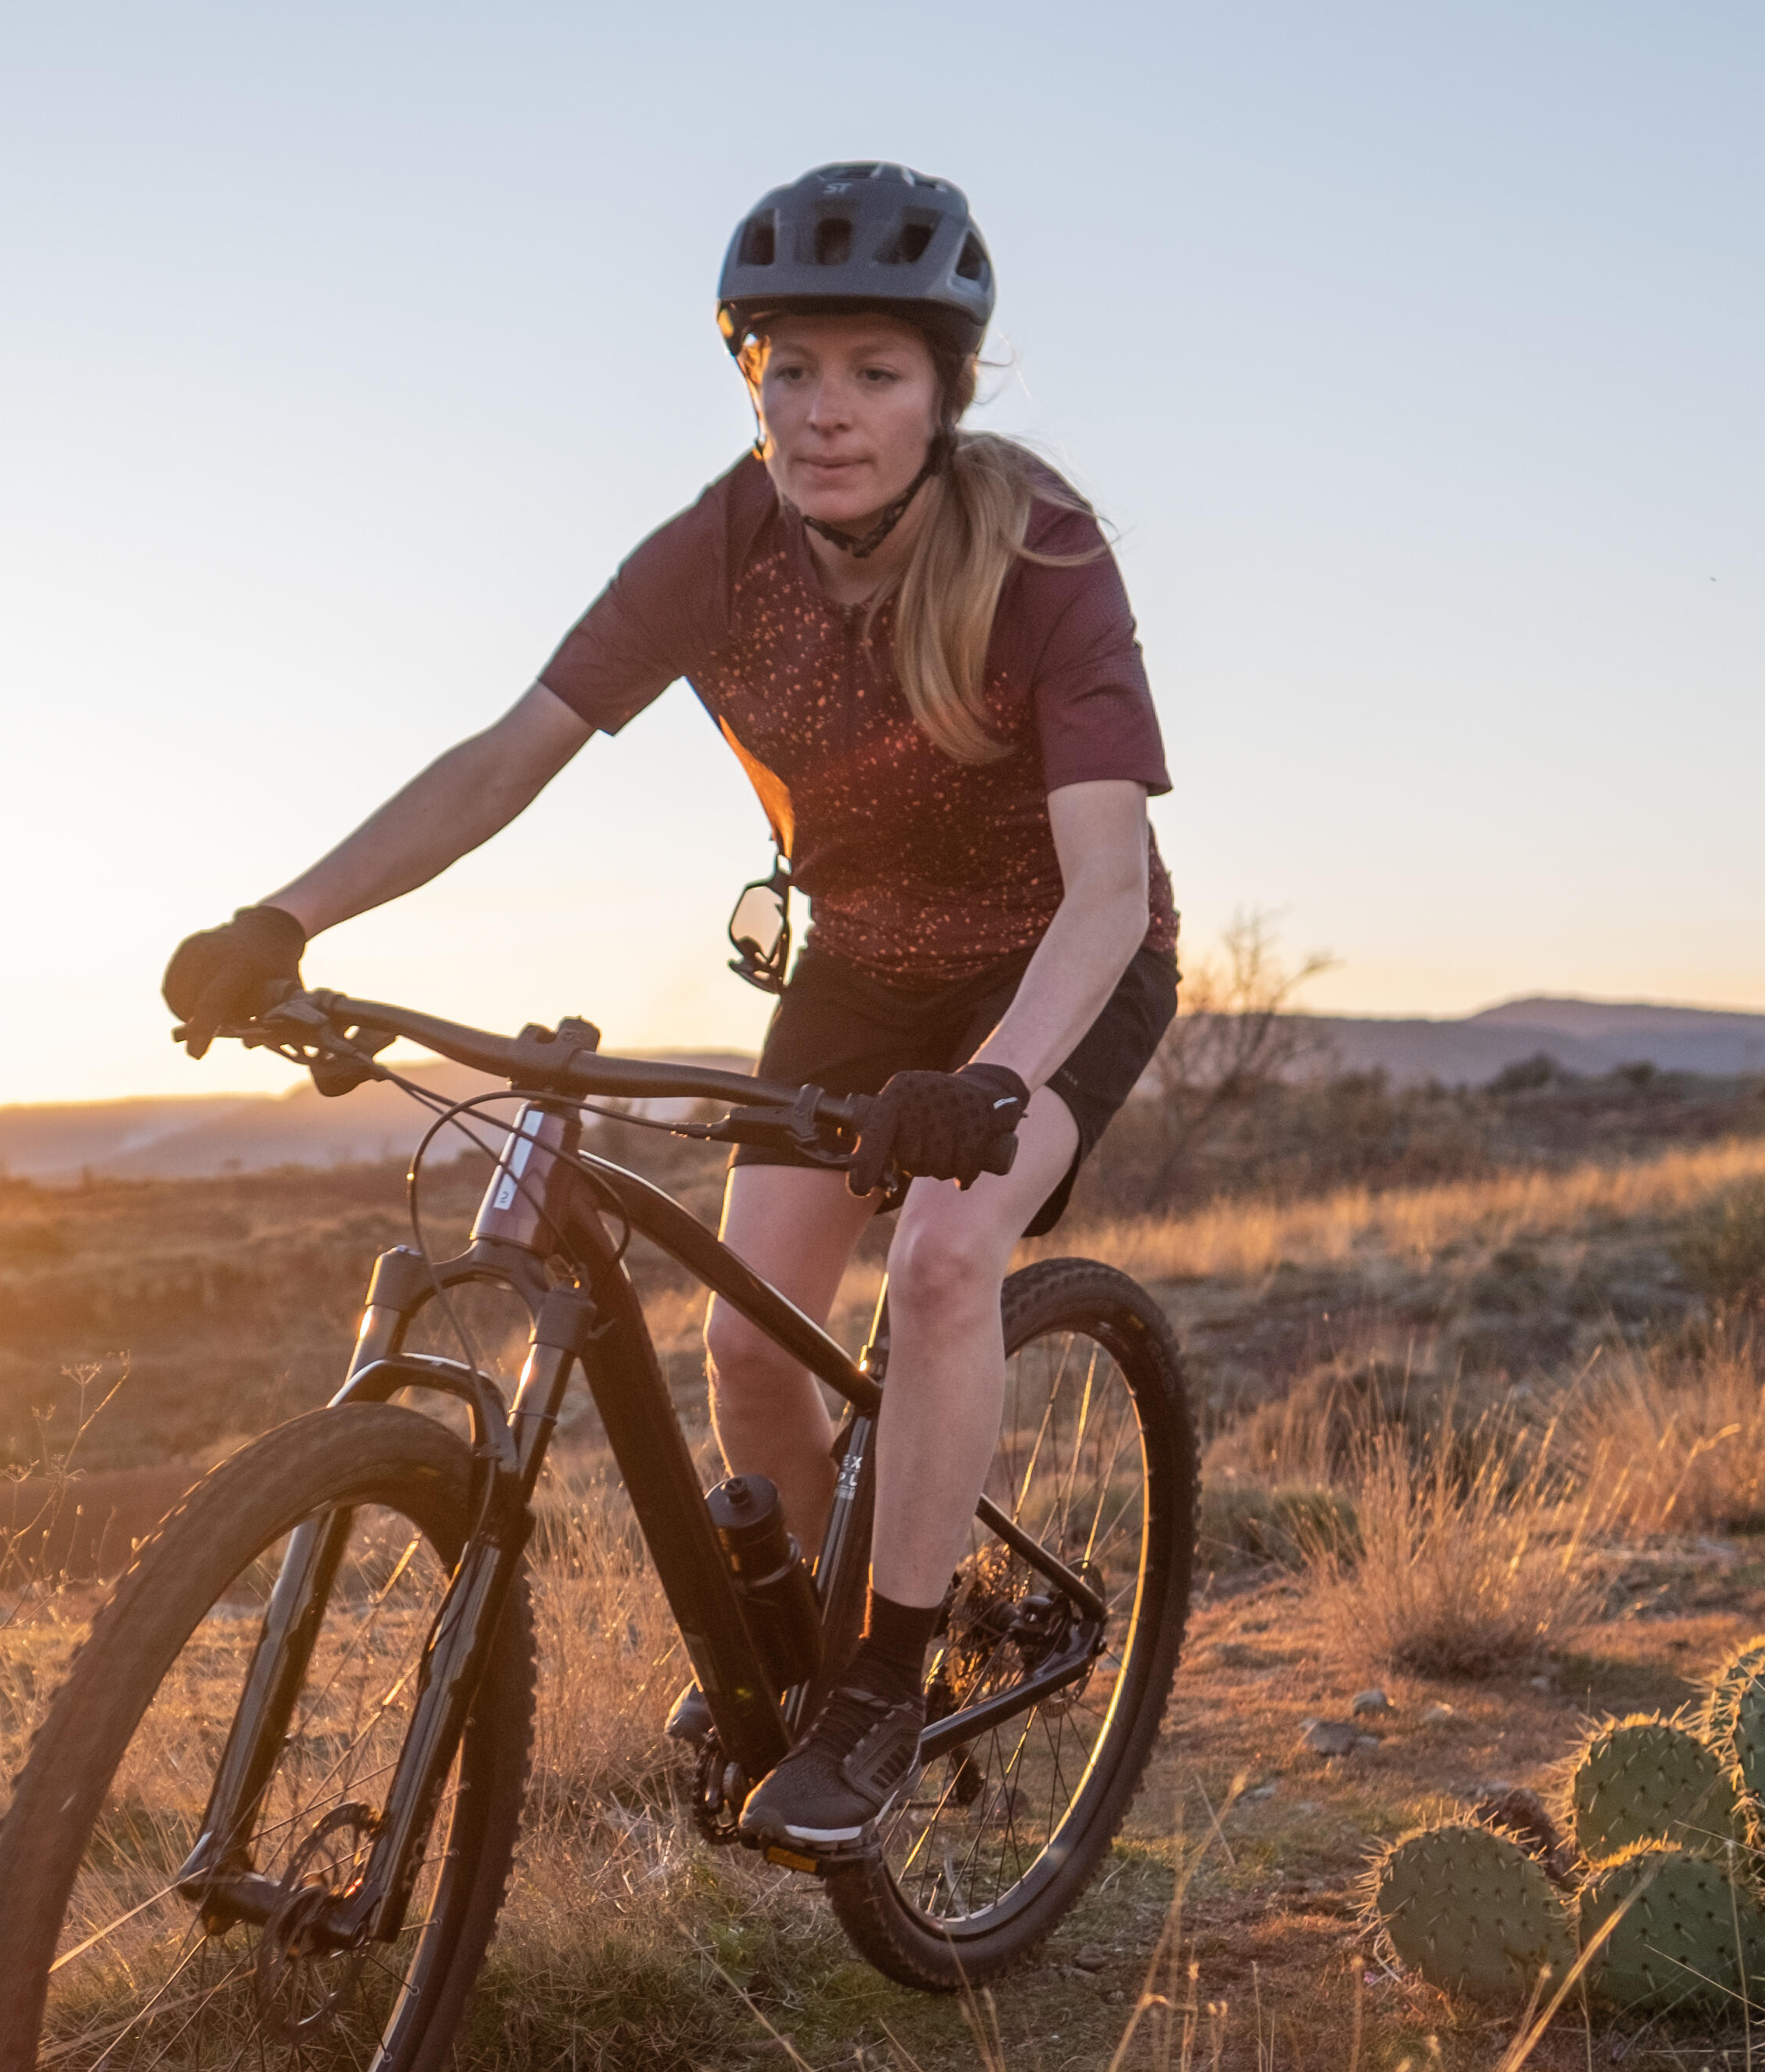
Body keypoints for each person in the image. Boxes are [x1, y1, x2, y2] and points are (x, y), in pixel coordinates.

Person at [158, 162, 1179, 1860]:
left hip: (1050, 965)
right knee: (742, 1340)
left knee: (940, 1261)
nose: (827, 412)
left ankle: (883, 1693)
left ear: (946, 394)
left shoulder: (1040, 552)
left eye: (875, 373)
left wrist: (993, 1087)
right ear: (748, 381)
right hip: (860, 965)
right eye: (790, 369)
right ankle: (787, 1659)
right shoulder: (717, 552)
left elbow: (1111, 888)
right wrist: (286, 915)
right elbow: (505, 757)